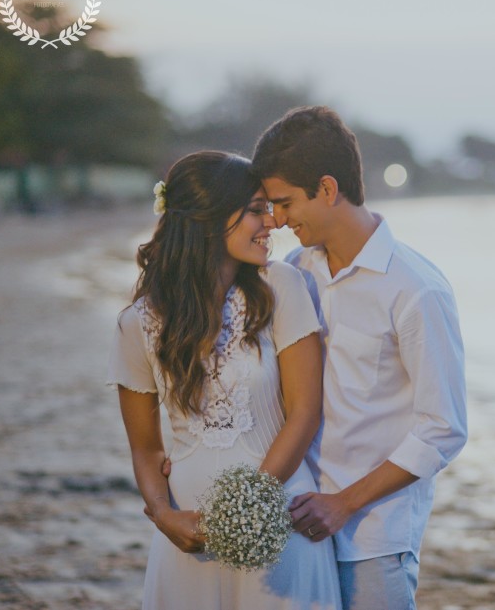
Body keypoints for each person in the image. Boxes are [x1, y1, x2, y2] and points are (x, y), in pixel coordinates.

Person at [251, 106, 468, 610]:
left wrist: (343, 503)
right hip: (295, 517)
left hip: (373, 533)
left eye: (284, 203)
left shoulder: (415, 289)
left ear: (327, 189)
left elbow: (443, 428)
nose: (278, 221)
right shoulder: (295, 270)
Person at [106, 151, 342, 610]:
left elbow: (304, 412)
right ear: (209, 218)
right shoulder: (138, 323)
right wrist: (163, 514)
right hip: (186, 536)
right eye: (255, 209)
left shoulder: (282, 288)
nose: (271, 222)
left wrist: (250, 507)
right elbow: (147, 447)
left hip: (277, 517)